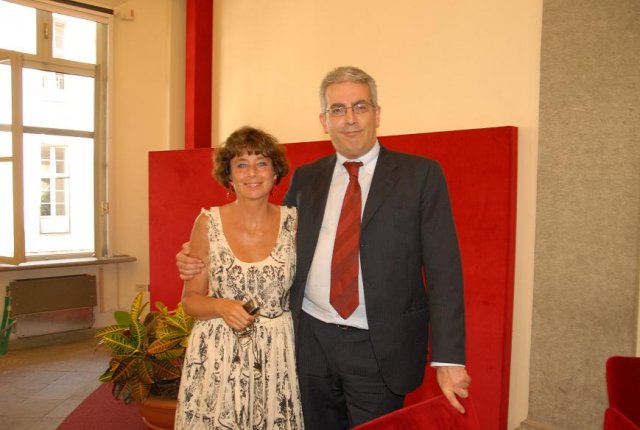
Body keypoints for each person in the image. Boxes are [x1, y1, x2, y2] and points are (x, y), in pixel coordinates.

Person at [177, 66, 471, 429]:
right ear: (324, 120)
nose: (350, 119)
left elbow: (445, 271)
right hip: (308, 344)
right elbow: (273, 241)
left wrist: (448, 358)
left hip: (379, 348)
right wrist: (193, 256)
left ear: (377, 114)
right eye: (338, 109)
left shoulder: (420, 176)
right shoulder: (307, 178)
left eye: (360, 107)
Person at [174, 126, 304, 429]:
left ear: (275, 173)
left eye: (262, 163)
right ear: (229, 176)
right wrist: (221, 306)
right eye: (241, 164)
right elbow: (190, 301)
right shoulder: (208, 223)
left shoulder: (295, 223)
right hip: (218, 354)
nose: (252, 173)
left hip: (276, 353)